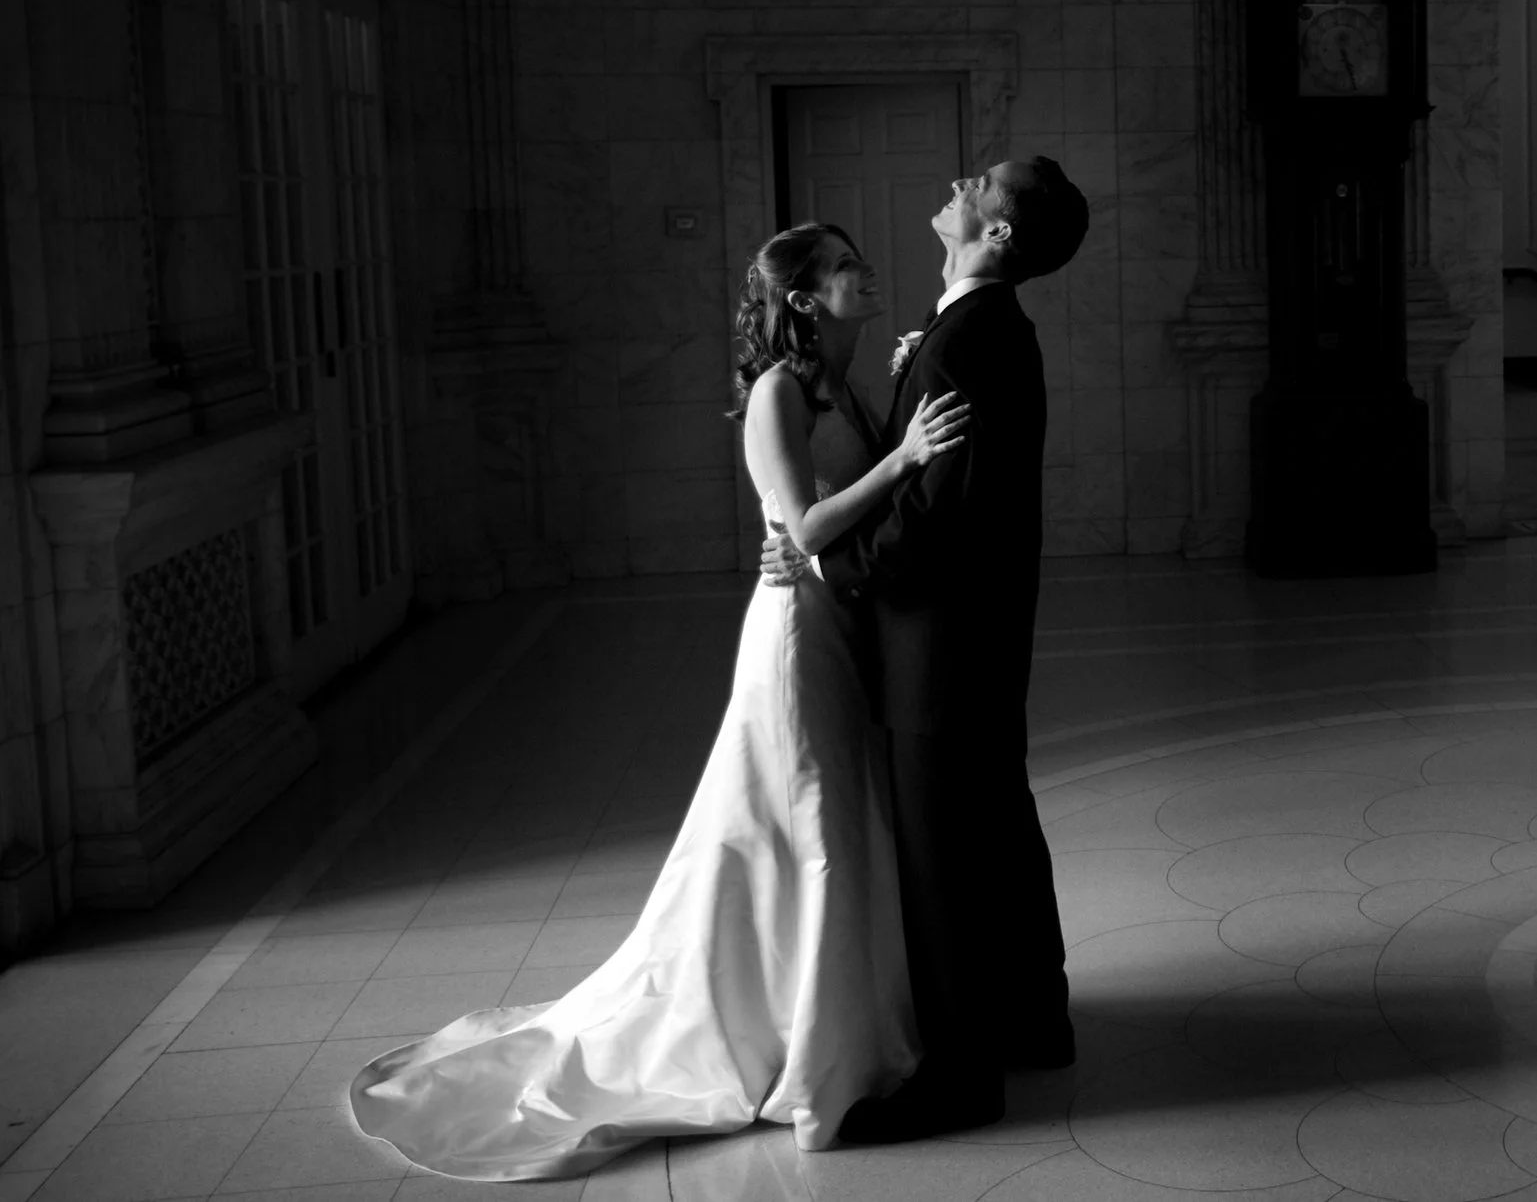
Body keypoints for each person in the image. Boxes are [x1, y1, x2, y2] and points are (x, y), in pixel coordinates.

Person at [347, 224, 967, 1180]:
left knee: (837, 820)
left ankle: (834, 1014)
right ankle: (799, 1041)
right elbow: (801, 528)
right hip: (797, 634)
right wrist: (904, 457)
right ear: (803, 298)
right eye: (845, 266)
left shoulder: (846, 382)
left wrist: (892, 422)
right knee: (808, 821)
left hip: (842, 627)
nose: (865, 271)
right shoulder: (777, 392)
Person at [762, 157, 1089, 1143]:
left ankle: (959, 1078)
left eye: (979, 181)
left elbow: (933, 515)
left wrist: (841, 573)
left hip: (938, 648)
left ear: (993, 232)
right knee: (1000, 822)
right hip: (977, 640)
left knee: (944, 857)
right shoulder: (975, 330)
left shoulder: (961, 341)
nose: (956, 178)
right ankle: (1036, 1018)